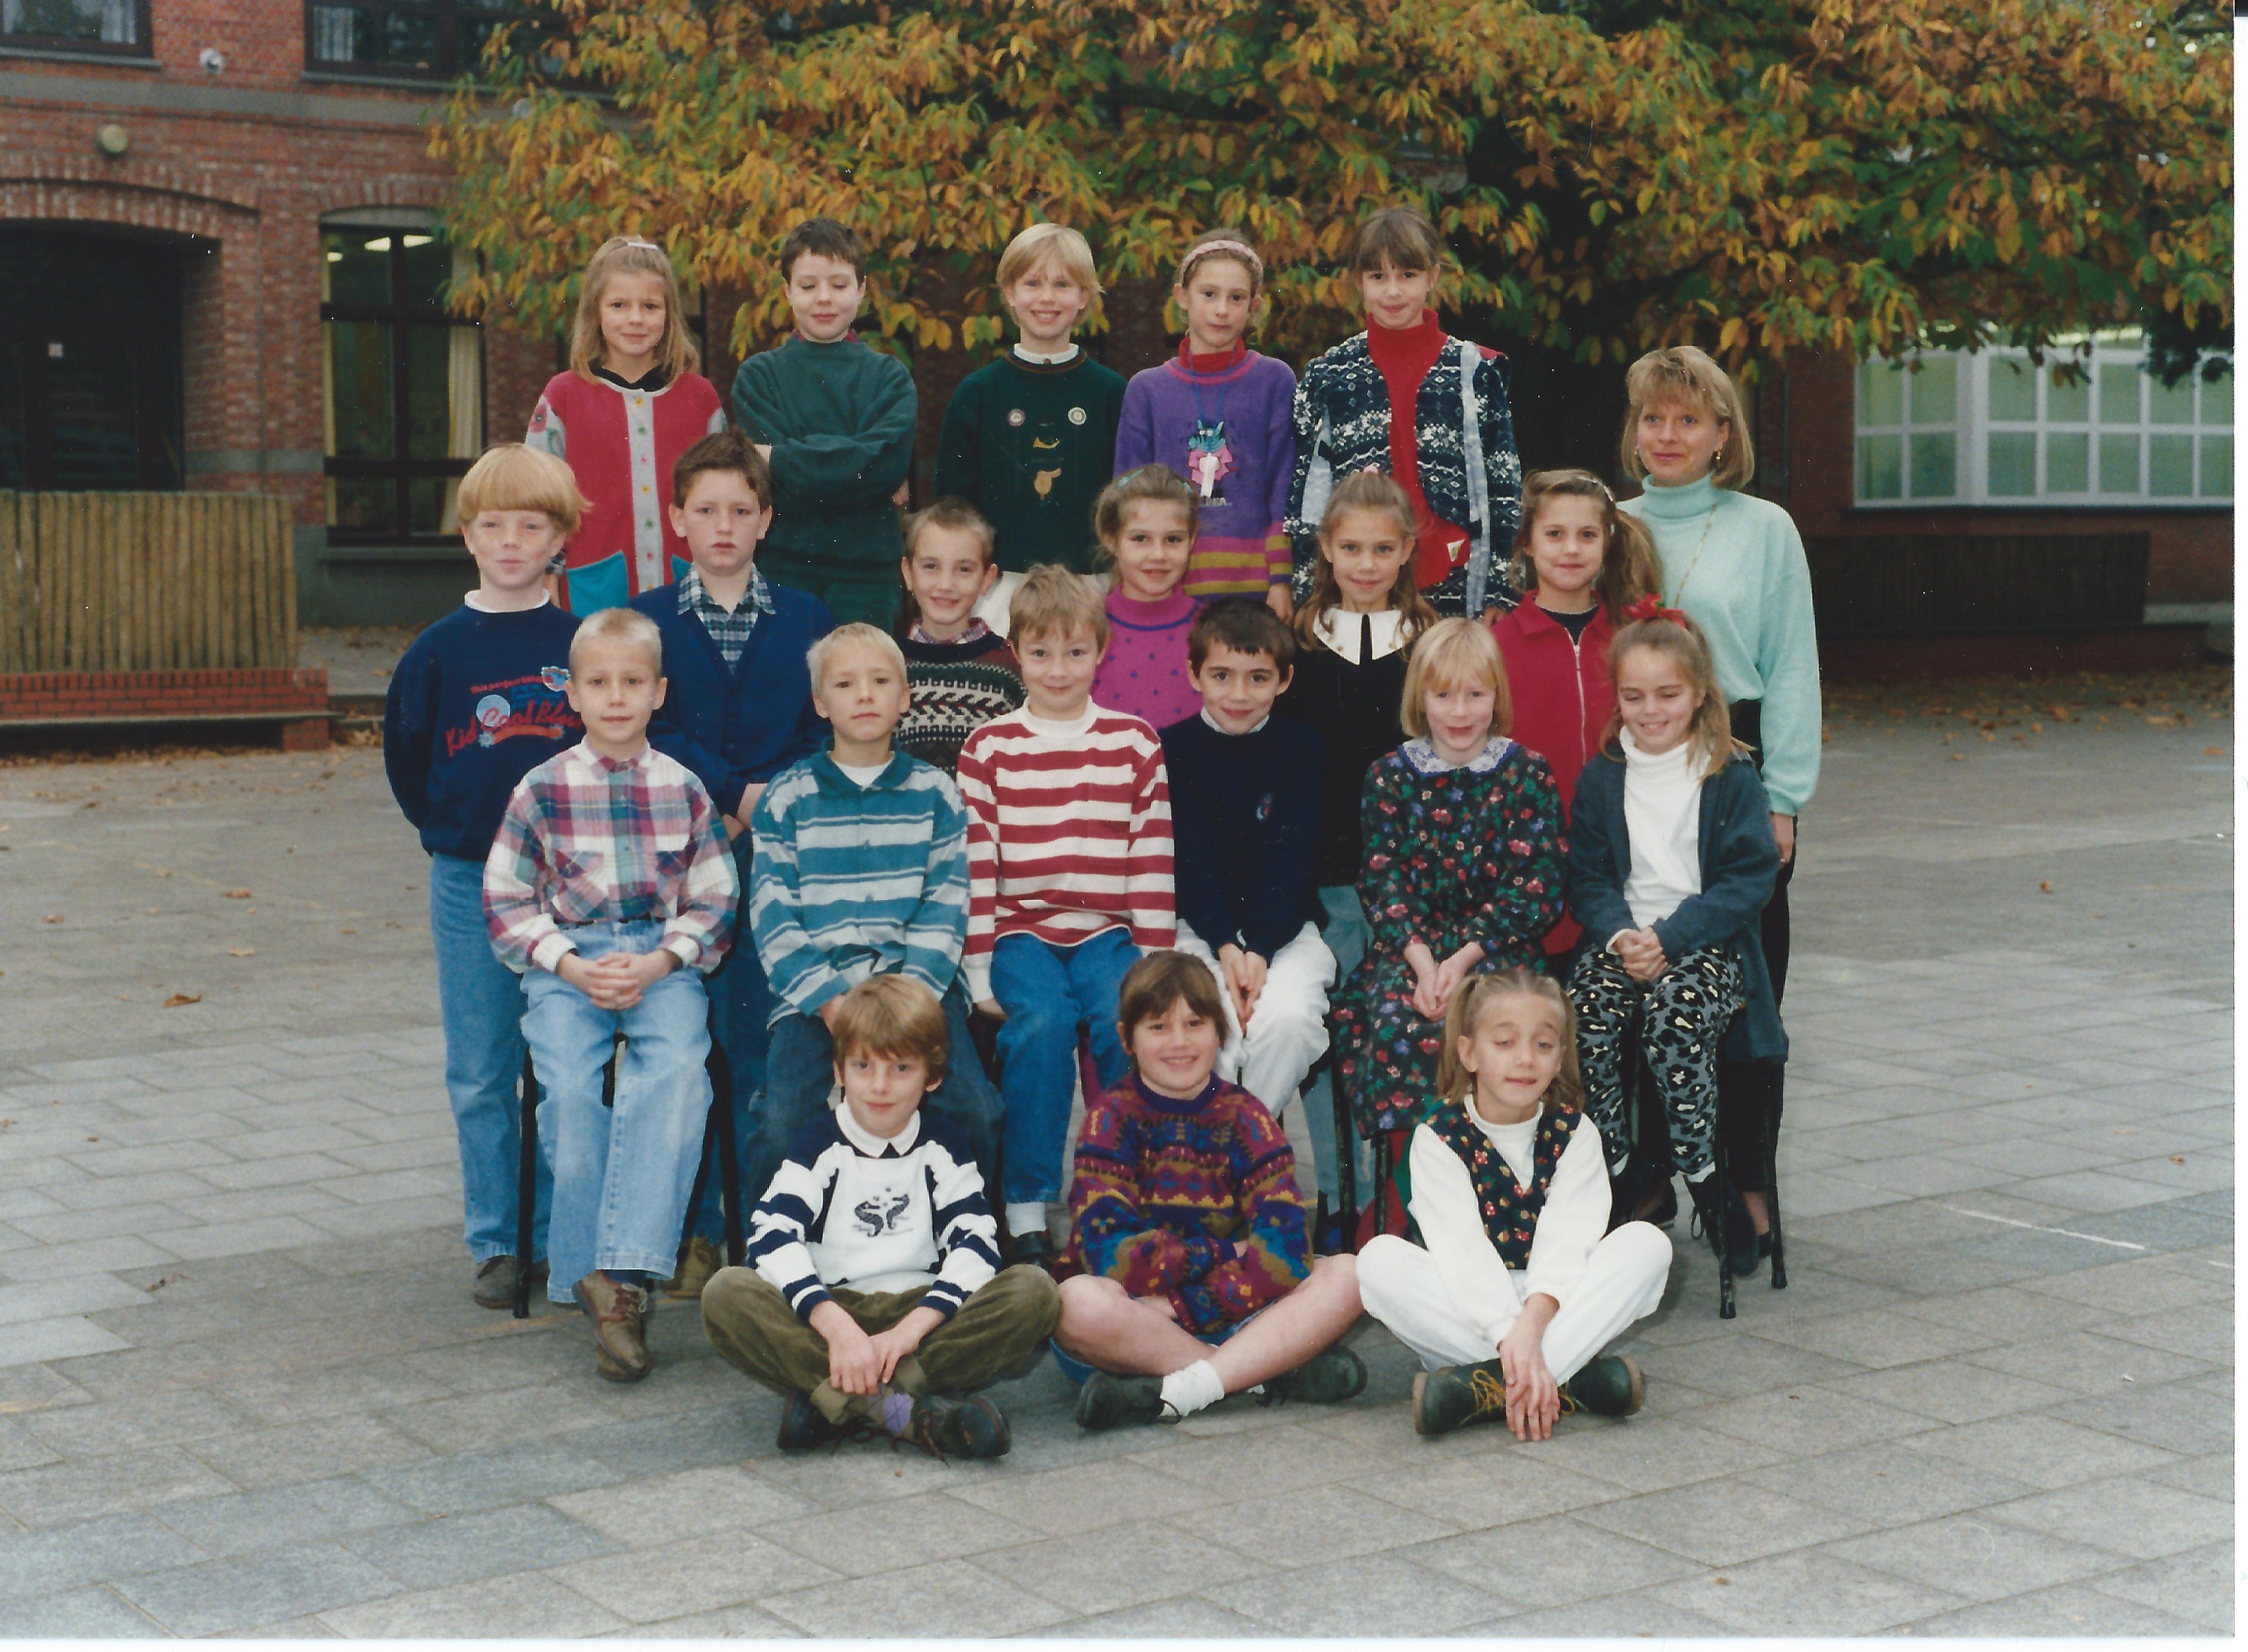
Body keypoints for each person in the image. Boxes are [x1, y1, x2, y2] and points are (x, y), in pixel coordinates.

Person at [484, 607, 739, 1382]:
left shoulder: (684, 788)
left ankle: (617, 1278)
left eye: (633, 682)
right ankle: (606, 1278)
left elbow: (715, 898)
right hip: (570, 964)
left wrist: (663, 962)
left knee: (678, 1076)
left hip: (660, 959)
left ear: (659, 691)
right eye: (599, 682)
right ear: (573, 693)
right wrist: (567, 964)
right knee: (567, 1089)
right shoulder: (541, 788)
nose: (617, 697)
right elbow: (505, 900)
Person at [1616, 345, 1819, 1250]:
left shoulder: (1765, 528)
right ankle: (1650, 1175)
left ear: (1722, 434)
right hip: (1635, 773)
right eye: (1653, 417)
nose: (1668, 434)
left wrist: (1784, 798)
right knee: (1638, 978)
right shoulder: (1608, 524)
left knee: (1745, 993)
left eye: (1688, 419)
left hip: (1736, 770)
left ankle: (1748, 1181)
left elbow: (1793, 665)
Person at [384, 443, 588, 1310]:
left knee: (562, 1059)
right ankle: (498, 1238)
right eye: (493, 525)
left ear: (560, 539)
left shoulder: (580, 643)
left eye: (531, 525)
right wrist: (454, 829)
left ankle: (555, 1234)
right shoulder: (437, 651)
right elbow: (407, 759)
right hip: (470, 878)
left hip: (568, 883)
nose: (511, 541)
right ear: (467, 535)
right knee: (480, 1066)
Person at [632, 432, 835, 1297]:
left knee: (756, 1044)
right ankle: (694, 1225)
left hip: (773, 858)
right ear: (677, 518)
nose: (724, 525)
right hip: (673, 860)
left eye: (741, 510)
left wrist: (760, 799)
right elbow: (652, 726)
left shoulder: (805, 617)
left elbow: (824, 728)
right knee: (689, 1049)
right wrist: (728, 789)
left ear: (766, 520)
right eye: (706, 509)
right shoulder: (649, 621)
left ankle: (761, 1229)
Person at [700, 975, 1060, 1460]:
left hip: (918, 1312)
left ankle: (836, 1398)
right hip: (834, 1308)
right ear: (839, 1070)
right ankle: (907, 1413)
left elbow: (976, 1245)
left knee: (1034, 1292)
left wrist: (911, 1330)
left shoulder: (946, 1146)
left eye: (901, 1068)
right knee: (727, 1293)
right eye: (863, 1065)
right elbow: (771, 1235)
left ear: (932, 1077)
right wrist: (836, 1327)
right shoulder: (818, 1143)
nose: (879, 1085)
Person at [955, 565, 1175, 1264]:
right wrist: (979, 969)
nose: (1058, 669)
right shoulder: (989, 748)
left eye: (1075, 652)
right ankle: (1026, 1207)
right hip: (1021, 933)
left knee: (1121, 1023)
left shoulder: (1134, 742)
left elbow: (1151, 858)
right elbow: (977, 867)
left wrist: (1154, 962)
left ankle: (1113, 1194)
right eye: (1041, 652)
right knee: (1043, 1026)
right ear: (1016, 652)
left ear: (1101, 651)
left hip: (1109, 933)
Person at [1054, 952, 1366, 1429]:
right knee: (1075, 1304)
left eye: (1195, 1024)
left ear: (1221, 1032)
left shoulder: (1246, 1117)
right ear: (1127, 1039)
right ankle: (1263, 1371)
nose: (1179, 1042)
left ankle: (1188, 1385)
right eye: (1158, 1027)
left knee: (1350, 1274)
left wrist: (1184, 1304)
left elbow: (1285, 1251)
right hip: (1141, 1317)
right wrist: (1226, 1253)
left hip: (1230, 1305)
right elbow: (1112, 1256)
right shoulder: (1109, 1119)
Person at [747, 621, 1002, 1200]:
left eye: (881, 681)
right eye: (845, 684)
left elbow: (946, 906)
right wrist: (832, 1004)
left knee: (975, 1110)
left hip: (917, 993)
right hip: (817, 999)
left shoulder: (937, 793)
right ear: (820, 702)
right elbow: (774, 916)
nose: (864, 695)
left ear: (905, 696)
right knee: (782, 1121)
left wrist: (906, 1004)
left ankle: (964, 1234)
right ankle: (775, 1246)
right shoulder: (787, 797)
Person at [1357, 969, 1668, 1439]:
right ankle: (1568, 1381)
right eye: (1505, 1043)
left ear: (1560, 1057)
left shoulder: (1576, 1134)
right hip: (1472, 1313)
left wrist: (1530, 1328)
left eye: (1543, 1045)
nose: (1525, 1059)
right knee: (1378, 1261)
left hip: (1556, 1307)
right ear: (1469, 1053)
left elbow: (1567, 1245)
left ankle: (1481, 1388)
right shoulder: (1438, 1137)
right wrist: (1509, 1334)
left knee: (1648, 1244)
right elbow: (1461, 1254)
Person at [1329, 617, 1565, 1231]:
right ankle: (1406, 1196)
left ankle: (1494, 1194)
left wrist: (1461, 960)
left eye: (1475, 695)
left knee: (1499, 1030)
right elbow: (1382, 877)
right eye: (1443, 695)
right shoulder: (1389, 775)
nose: (1460, 712)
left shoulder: (1526, 772)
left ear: (1496, 696)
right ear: (1421, 699)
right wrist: (1423, 963)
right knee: (1396, 1024)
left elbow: (1536, 884)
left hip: (1496, 948)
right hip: (1412, 951)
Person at [1565, 604, 1782, 1276]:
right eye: (1634, 696)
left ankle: (1705, 1178)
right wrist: (1622, 935)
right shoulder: (1603, 775)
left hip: (1704, 944)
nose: (1650, 711)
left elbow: (1749, 879)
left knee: (1672, 1023)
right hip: (1624, 940)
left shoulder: (1729, 773)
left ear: (1698, 694)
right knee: (1583, 1017)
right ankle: (1618, 1170)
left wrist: (1671, 936)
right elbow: (1588, 877)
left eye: (1668, 695)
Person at [1273, 470, 1437, 1237]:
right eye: (1350, 549)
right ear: (1326, 551)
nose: (1366, 565)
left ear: (1406, 551)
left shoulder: (1429, 643)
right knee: (1331, 1030)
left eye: (1381, 549)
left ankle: (1400, 1201)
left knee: (1402, 1031)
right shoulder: (1301, 646)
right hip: (1331, 875)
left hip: (1411, 877)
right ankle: (1339, 1196)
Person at [1158, 601, 1334, 1164]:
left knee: (1289, 1019)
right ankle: (1220, 1163)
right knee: (1209, 1023)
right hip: (1196, 928)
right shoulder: (1170, 749)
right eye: (1222, 676)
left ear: (1284, 680)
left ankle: (1232, 1157)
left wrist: (1258, 948)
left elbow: (1292, 861)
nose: (1239, 693)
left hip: (1283, 931)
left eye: (1258, 678)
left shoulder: (1303, 749)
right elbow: (1190, 862)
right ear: (1194, 675)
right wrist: (1227, 947)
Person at [1285, 205, 1523, 620]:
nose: (1393, 292)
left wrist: (1501, 591)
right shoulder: (1330, 375)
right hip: (1359, 580)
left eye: (1408, 275)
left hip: (1456, 579)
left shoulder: (1474, 371)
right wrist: (1307, 593)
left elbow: (1503, 485)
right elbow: (1308, 491)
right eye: (1378, 277)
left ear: (1432, 277)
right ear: (1359, 282)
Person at [1491, 467, 1663, 964]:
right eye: (1554, 534)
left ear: (1607, 543)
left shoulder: (1634, 639)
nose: (1571, 549)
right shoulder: (1496, 647)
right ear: (1527, 543)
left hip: (1627, 862)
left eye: (1587, 535)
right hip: (1528, 867)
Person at [933, 222, 1126, 620]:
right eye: (1033, 283)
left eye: (1062, 284)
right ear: (1010, 292)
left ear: (1083, 297)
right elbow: (954, 505)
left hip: (1092, 586)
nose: (1047, 298)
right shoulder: (978, 393)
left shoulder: (1111, 393)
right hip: (998, 591)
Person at [729, 217, 917, 626]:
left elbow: (885, 466)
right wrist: (855, 463)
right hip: (782, 566)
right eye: (808, 286)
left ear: (862, 288)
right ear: (787, 291)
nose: (824, 298)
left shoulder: (890, 378)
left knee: (863, 670)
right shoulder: (758, 377)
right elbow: (776, 482)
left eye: (839, 284)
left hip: (868, 575)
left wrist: (780, 458)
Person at [525, 236, 727, 612]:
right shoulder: (563, 396)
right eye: (619, 305)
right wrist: (545, 572)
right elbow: (535, 498)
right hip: (592, 589)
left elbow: (725, 496)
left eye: (650, 306)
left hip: (687, 589)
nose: (636, 319)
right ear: (596, 312)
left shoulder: (701, 399)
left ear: (669, 314)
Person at [1114, 230, 1296, 612]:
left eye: (1237, 298)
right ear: (1182, 297)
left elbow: (1284, 485)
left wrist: (1282, 580)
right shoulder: (1147, 390)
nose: (1222, 310)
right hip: (1168, 586)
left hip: (1255, 589)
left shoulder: (1275, 381)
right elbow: (1128, 496)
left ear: (1254, 305)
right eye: (1209, 294)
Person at [893, 498, 1025, 775]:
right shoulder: (887, 666)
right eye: (931, 566)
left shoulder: (1011, 667)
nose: (946, 585)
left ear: (987, 579)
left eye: (964, 569)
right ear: (908, 573)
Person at [1087, 464, 1205, 732]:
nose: (1158, 555)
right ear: (1112, 539)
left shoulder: (1213, 629)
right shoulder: (1086, 627)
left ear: (1192, 540)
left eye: (1173, 540)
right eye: (1140, 539)